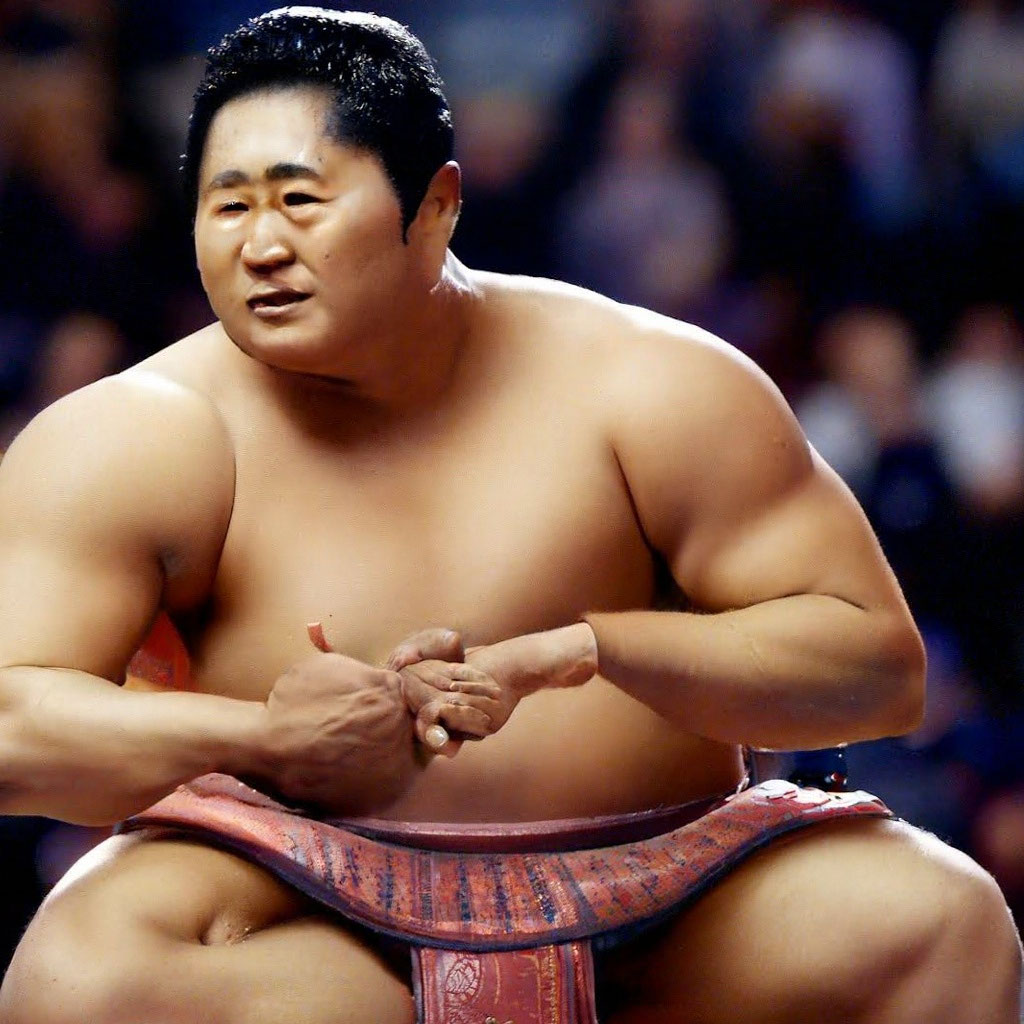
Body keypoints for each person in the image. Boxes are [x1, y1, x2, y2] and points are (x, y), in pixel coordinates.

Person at [0, 8, 1019, 1023]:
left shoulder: (647, 383)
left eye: (300, 200)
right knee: (84, 971)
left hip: (671, 910)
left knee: (938, 918)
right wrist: (266, 737)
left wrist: (590, 649)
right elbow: (11, 719)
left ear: (436, 205)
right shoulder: (138, 432)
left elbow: (877, 671)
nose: (261, 246)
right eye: (228, 207)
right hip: (304, 911)